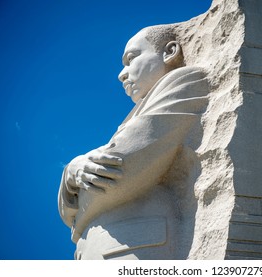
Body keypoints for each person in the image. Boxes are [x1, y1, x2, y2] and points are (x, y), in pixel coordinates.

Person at [58, 24, 208, 259]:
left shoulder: (187, 80)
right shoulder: (133, 117)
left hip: (135, 248)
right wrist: (72, 171)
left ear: (169, 52)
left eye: (131, 59)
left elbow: (118, 172)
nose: (122, 73)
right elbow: (68, 213)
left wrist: (79, 210)